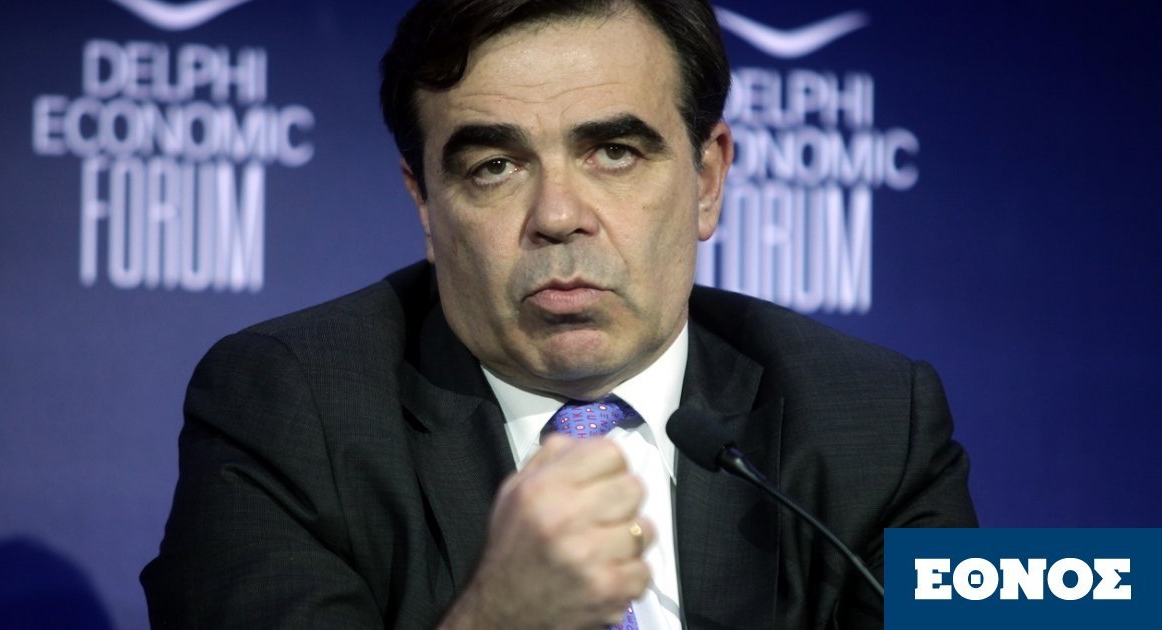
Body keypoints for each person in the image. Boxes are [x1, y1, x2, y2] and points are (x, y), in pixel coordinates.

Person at [141, 0, 978, 628]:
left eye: (614, 153)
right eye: (495, 166)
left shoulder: (873, 421)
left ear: (707, 179)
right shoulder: (288, 409)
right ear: (425, 203)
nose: (558, 215)